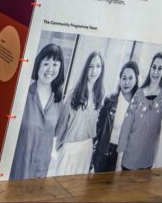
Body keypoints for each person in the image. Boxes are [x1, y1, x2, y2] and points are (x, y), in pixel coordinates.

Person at [10, 43, 65, 180]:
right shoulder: (23, 94)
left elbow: (56, 133)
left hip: (41, 171)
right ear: (38, 65)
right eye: (46, 64)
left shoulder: (59, 101)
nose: (50, 69)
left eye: (55, 65)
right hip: (18, 168)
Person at [117, 52, 162, 170]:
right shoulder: (138, 94)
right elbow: (126, 127)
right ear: (150, 68)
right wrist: (118, 162)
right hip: (129, 160)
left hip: (148, 162)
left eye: (160, 68)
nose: (155, 71)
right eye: (154, 67)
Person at [49, 51, 105, 176]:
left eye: (98, 66)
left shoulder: (99, 95)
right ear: (86, 69)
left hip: (86, 149)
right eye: (91, 66)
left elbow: (94, 128)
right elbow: (62, 122)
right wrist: (59, 146)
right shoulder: (74, 93)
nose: (94, 71)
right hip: (69, 147)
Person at [92, 60, 139, 173]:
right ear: (120, 80)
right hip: (104, 152)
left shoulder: (139, 105)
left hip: (124, 157)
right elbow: (98, 128)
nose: (126, 82)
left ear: (136, 80)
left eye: (130, 78)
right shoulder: (110, 100)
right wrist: (92, 155)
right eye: (124, 78)